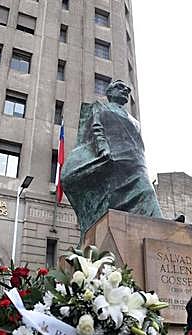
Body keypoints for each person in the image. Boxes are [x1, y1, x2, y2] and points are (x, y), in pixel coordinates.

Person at [60, 80, 162, 238]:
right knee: (114, 198)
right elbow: (96, 128)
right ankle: (158, 224)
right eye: (120, 87)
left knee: (146, 190)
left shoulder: (135, 121)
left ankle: (159, 224)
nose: (125, 91)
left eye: (127, 89)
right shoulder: (100, 107)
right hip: (112, 158)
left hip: (134, 160)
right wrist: (103, 148)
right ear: (110, 92)